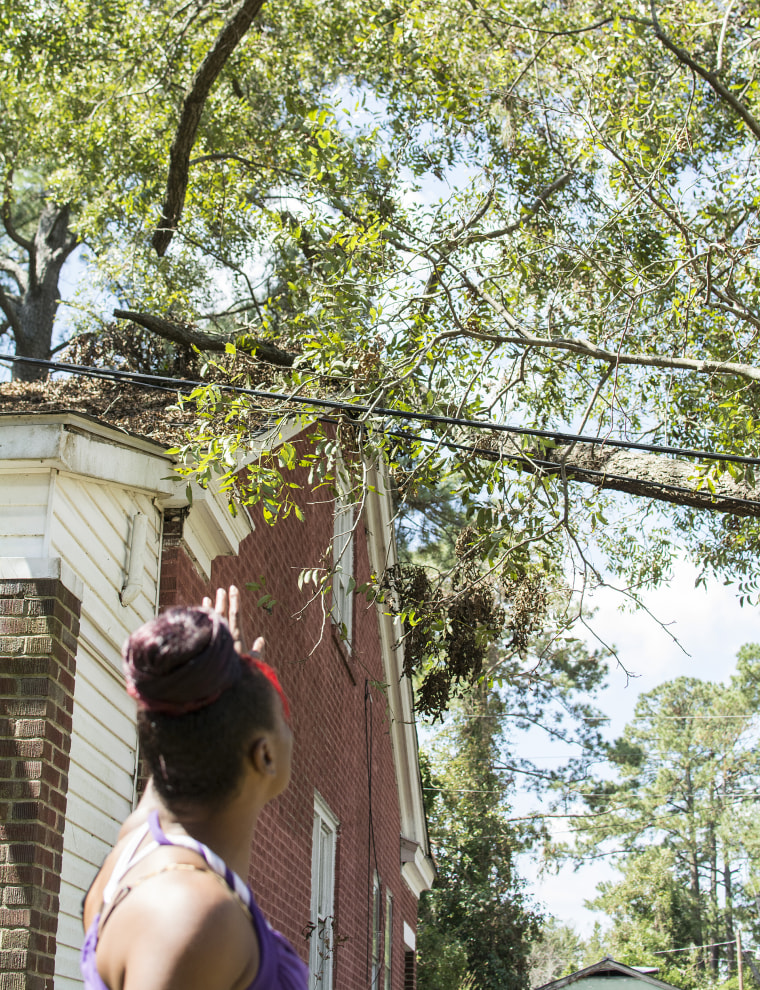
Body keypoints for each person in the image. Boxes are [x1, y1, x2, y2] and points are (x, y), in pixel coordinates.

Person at [81, 586, 308, 990]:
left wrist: (212, 682)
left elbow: (175, 746)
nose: (291, 731)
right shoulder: (188, 915)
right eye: (285, 719)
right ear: (265, 756)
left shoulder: (137, 842)